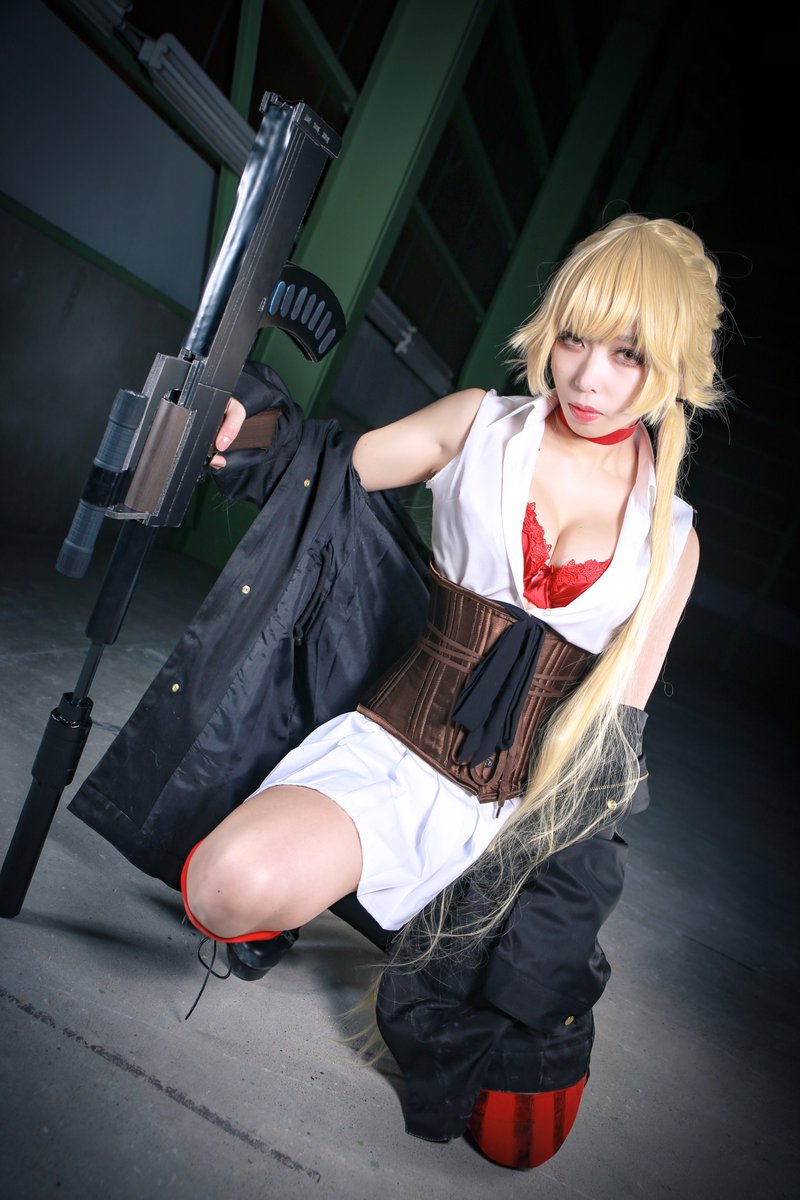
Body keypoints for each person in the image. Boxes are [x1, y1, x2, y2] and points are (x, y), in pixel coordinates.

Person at [176, 212, 727, 1168]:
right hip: (396, 756)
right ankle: (327, 888)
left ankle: (431, 922)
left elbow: (610, 750)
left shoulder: (671, 538)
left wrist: (553, 932)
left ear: (672, 366)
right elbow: (322, 469)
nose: (588, 378)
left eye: (628, 354)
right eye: (573, 338)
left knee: (517, 1140)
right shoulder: (479, 425)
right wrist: (247, 425)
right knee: (226, 890)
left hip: (518, 825)